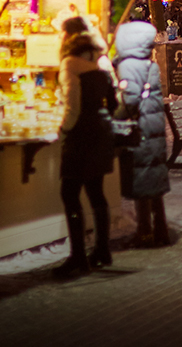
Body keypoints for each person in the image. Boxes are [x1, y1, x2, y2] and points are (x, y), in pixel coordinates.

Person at [54, 17, 117, 278]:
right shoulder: (100, 68)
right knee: (95, 192)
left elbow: (73, 106)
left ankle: (78, 255)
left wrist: (63, 129)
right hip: (101, 134)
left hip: (80, 137)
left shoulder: (70, 65)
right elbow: (113, 104)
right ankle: (102, 250)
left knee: (70, 194)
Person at [113, 21, 171, 248]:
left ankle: (145, 231)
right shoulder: (150, 65)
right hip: (153, 129)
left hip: (140, 131)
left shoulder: (129, 65)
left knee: (141, 183)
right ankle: (161, 230)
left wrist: (114, 118)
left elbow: (130, 98)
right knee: (154, 183)